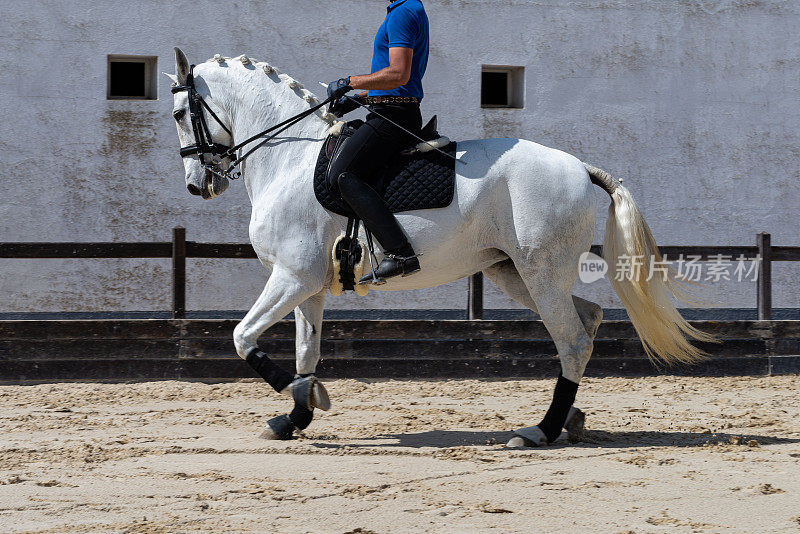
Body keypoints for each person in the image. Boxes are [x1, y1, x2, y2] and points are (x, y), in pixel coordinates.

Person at [326, 0, 429, 283]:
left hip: (394, 116)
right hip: (388, 108)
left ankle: (400, 253)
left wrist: (351, 81)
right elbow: (397, 82)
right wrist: (357, 99)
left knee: (343, 174)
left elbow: (399, 74)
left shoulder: (403, 12)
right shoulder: (405, 10)